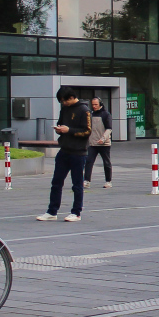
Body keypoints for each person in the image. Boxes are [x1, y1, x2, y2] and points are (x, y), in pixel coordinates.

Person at [36, 87, 91, 222]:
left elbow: (87, 131)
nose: (63, 103)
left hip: (78, 152)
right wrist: (60, 129)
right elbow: (61, 123)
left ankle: (76, 212)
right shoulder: (64, 109)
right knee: (56, 182)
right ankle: (52, 211)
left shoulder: (84, 110)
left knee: (77, 184)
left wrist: (69, 130)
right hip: (64, 150)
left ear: (71, 98)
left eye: (64, 101)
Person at [83, 97, 113, 189]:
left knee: (106, 162)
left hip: (104, 143)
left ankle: (108, 181)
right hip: (93, 143)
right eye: (93, 104)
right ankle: (87, 180)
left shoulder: (106, 114)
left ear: (100, 104)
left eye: (96, 104)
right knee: (89, 161)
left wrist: (103, 139)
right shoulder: (90, 114)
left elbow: (109, 128)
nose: (94, 106)